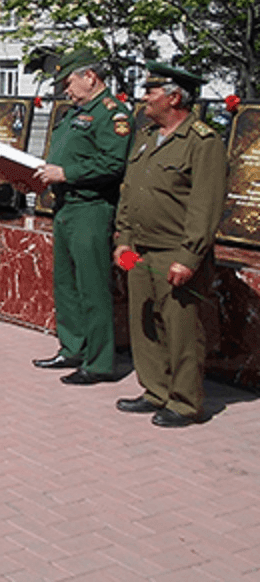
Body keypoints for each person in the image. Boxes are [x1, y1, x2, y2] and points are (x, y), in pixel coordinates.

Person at [113, 61, 227, 427]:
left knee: (181, 331)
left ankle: (184, 401)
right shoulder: (146, 136)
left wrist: (189, 256)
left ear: (174, 97)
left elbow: (204, 205)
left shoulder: (202, 142)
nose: (143, 97)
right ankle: (155, 390)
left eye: (151, 91)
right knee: (143, 324)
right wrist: (123, 240)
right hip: (138, 251)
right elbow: (130, 192)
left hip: (173, 253)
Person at [30, 48, 131, 384]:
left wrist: (67, 173)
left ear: (90, 76)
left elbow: (113, 163)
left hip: (91, 208)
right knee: (66, 284)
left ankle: (100, 361)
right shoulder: (75, 112)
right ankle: (72, 347)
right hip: (66, 206)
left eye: (69, 82)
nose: (65, 90)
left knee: (92, 287)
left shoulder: (111, 114)